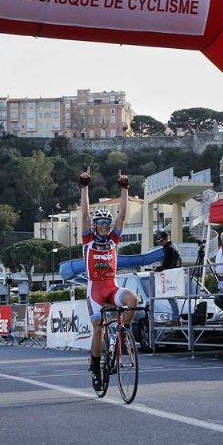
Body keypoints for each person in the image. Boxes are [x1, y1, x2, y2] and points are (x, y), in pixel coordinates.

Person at [79, 166, 139, 390]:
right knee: (99, 327)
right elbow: (84, 214)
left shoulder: (114, 239)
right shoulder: (88, 241)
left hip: (112, 288)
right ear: (95, 227)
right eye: (100, 224)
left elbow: (122, 215)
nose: (104, 227)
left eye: (107, 224)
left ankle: (123, 334)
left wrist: (125, 188)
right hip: (95, 291)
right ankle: (95, 367)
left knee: (134, 299)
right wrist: (84, 187)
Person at [151, 230, 182, 324]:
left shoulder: (170, 248)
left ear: (166, 239)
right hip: (173, 275)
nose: (160, 243)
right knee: (172, 298)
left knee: (172, 298)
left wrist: (158, 268)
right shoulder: (171, 247)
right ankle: (176, 318)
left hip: (172, 275)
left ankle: (176, 319)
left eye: (161, 241)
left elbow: (168, 264)